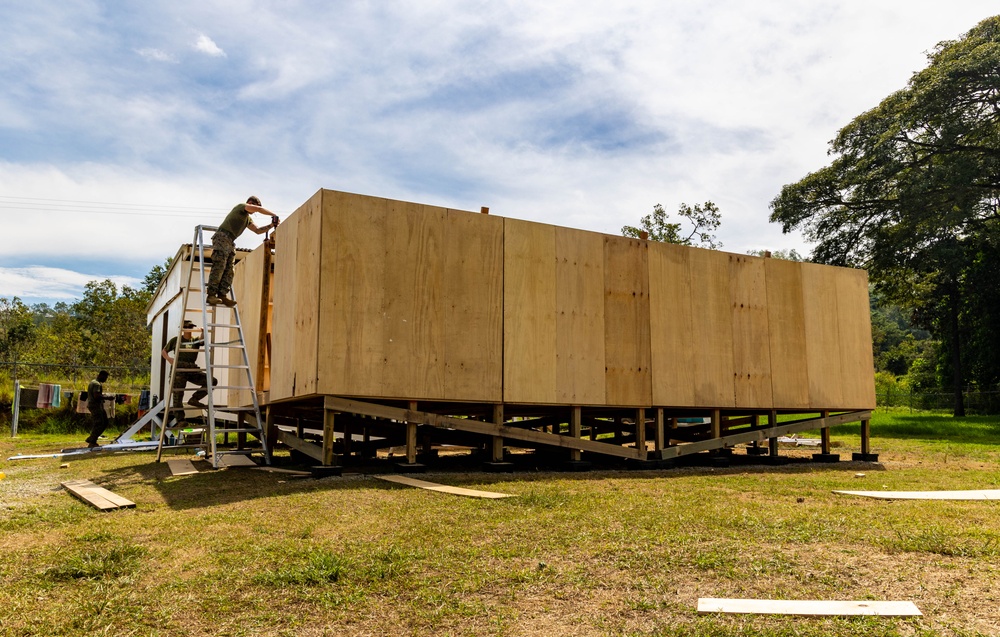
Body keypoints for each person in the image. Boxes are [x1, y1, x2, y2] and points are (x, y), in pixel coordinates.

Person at [206, 196, 280, 306]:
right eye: (255, 208)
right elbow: (259, 209)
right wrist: (273, 215)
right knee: (219, 265)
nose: (255, 211)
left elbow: (257, 230)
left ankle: (222, 295)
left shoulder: (247, 219)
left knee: (230, 270)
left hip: (230, 241)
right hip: (222, 236)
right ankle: (211, 295)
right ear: (250, 203)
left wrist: (271, 225)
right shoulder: (241, 207)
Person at [162, 320, 216, 412]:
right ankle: (180, 420)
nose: (188, 329)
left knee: (212, 381)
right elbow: (164, 351)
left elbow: (202, 341)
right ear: (182, 329)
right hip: (179, 369)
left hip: (191, 369)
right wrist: (169, 359)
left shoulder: (194, 340)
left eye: (190, 327)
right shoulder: (176, 340)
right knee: (178, 394)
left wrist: (203, 331)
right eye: (186, 327)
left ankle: (194, 399)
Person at [85, 370, 111, 448]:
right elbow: (96, 396)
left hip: (96, 405)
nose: (106, 379)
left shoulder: (93, 382)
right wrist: (108, 397)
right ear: (101, 375)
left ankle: (91, 438)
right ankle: (92, 441)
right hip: (95, 405)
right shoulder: (96, 384)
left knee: (105, 422)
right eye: (105, 377)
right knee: (99, 423)